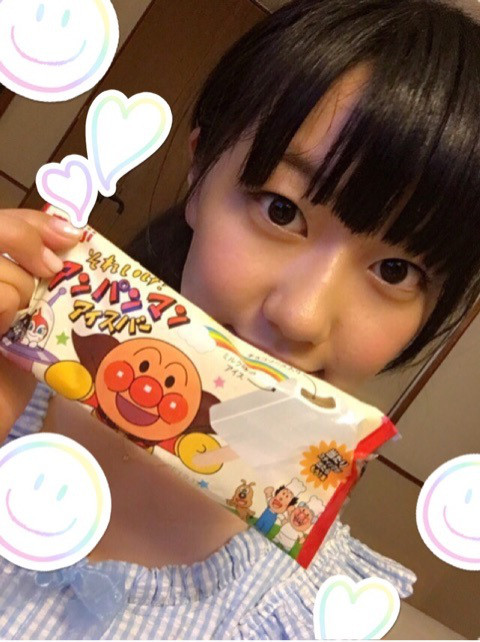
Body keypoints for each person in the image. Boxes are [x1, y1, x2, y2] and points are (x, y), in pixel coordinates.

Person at [1, 0, 480, 638]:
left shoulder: (315, 617)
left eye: (395, 271)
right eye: (281, 210)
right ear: (199, 172)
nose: (301, 316)